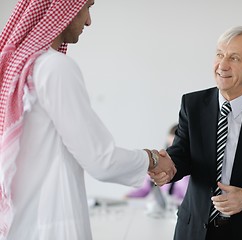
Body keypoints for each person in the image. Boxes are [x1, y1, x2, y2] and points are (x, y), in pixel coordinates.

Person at [0, 0, 175, 239]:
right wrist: (152, 159)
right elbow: (101, 160)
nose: (89, 21)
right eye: (87, 7)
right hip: (52, 227)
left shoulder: (21, 70)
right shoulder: (53, 67)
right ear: (64, 7)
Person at [151, 26, 242, 240]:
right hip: (194, 230)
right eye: (220, 55)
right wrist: (168, 168)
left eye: (234, 58)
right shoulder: (192, 104)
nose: (222, 65)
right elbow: (181, 154)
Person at [127, 124, 189, 202]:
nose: (171, 149)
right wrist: (127, 197)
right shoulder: (159, 166)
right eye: (168, 145)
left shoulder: (188, 176)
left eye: (174, 145)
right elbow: (144, 188)